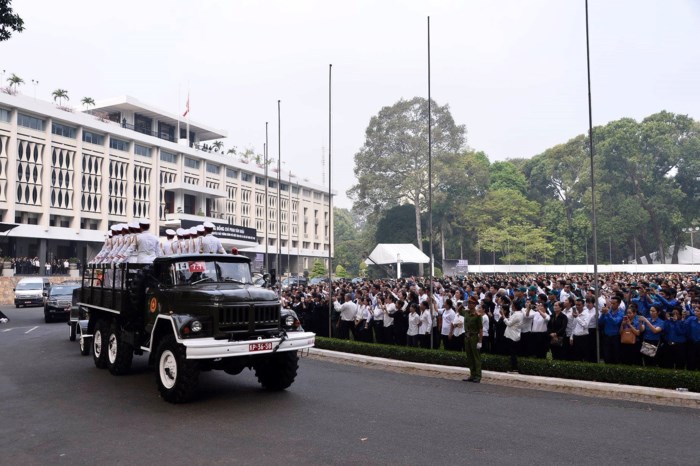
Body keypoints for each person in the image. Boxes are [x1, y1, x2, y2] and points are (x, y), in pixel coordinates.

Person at [599, 295, 625, 364]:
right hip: (606, 336)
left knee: (615, 355)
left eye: (614, 303)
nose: (612, 305)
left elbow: (615, 322)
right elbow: (600, 322)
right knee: (606, 355)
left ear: (618, 304)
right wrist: (603, 314)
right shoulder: (608, 311)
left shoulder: (621, 313)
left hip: (615, 337)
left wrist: (607, 313)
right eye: (611, 303)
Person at [463, 296, 483, 382]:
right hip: (467, 337)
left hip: (474, 337)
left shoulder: (478, 315)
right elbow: (459, 310)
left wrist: (480, 341)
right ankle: (472, 374)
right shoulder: (466, 313)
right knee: (469, 357)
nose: (469, 304)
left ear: (475, 305)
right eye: (468, 303)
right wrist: (462, 304)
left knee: (476, 357)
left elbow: (480, 329)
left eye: (471, 303)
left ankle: (478, 376)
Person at [503, 298, 522, 373]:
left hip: (513, 336)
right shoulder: (518, 313)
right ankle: (513, 368)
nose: (511, 307)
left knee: (513, 353)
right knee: (512, 353)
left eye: (512, 305)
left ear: (515, 306)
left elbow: (509, 323)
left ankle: (514, 368)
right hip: (514, 335)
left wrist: (504, 317)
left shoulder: (517, 314)